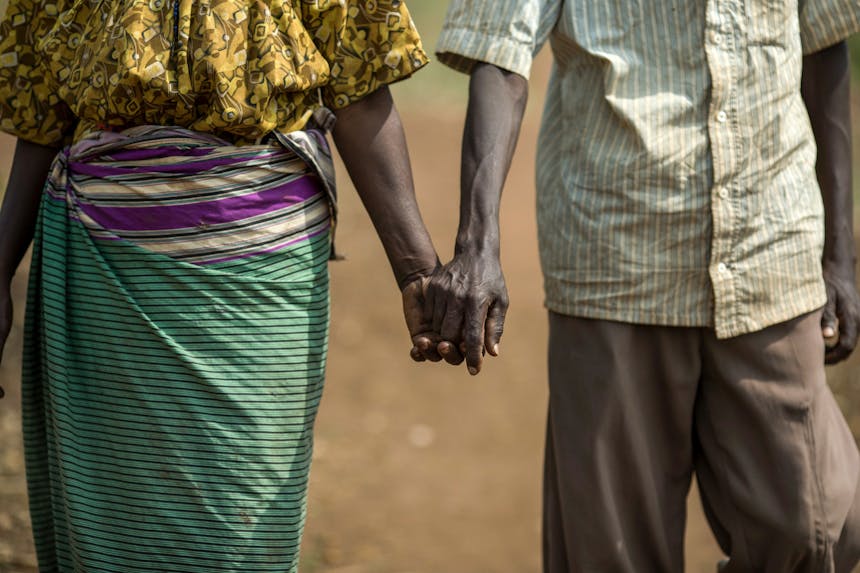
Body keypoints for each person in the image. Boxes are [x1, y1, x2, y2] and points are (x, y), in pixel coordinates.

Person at [415, 1, 860, 571]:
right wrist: (477, 244)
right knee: (613, 547)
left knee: (817, 527)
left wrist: (840, 255)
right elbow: (499, 54)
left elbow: (822, 42)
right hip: (617, 254)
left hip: (771, 242)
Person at [0, 1, 440, 571]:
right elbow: (43, 118)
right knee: (116, 522)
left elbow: (359, 87)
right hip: (105, 277)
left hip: (258, 271)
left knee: (239, 518)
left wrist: (418, 270)